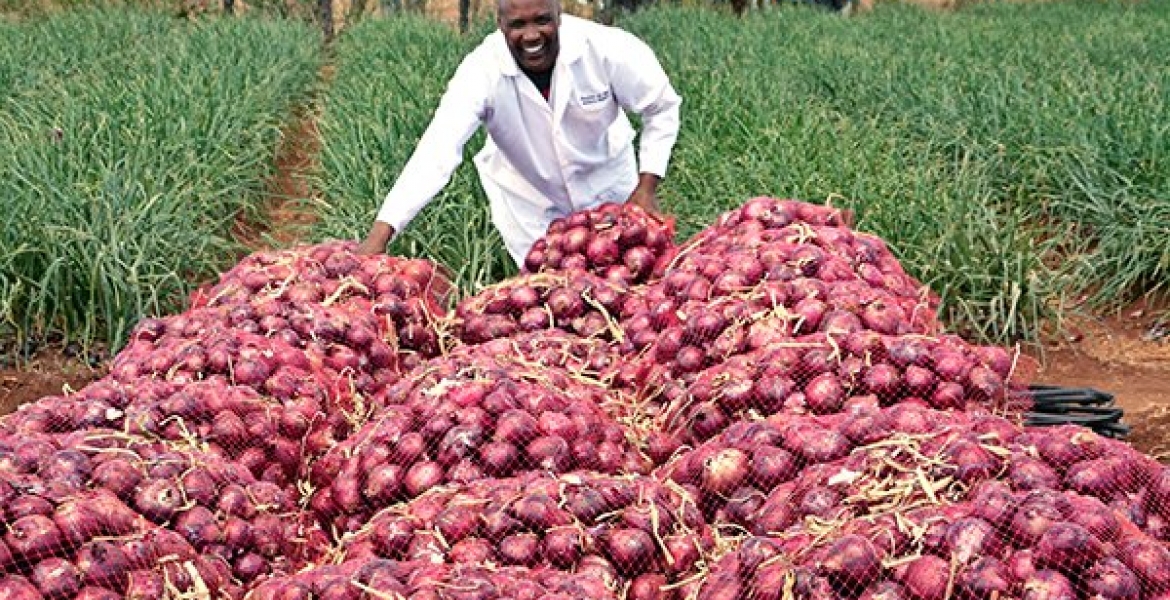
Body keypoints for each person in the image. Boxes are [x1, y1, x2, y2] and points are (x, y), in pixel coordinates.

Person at [356, 0, 683, 265]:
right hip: (532, 206)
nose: (531, 36)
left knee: (627, 288)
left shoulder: (606, 48)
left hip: (610, 187)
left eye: (542, 20)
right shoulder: (481, 71)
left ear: (559, 13)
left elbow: (661, 106)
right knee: (553, 301)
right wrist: (381, 233)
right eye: (517, 25)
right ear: (500, 24)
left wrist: (647, 187)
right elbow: (436, 151)